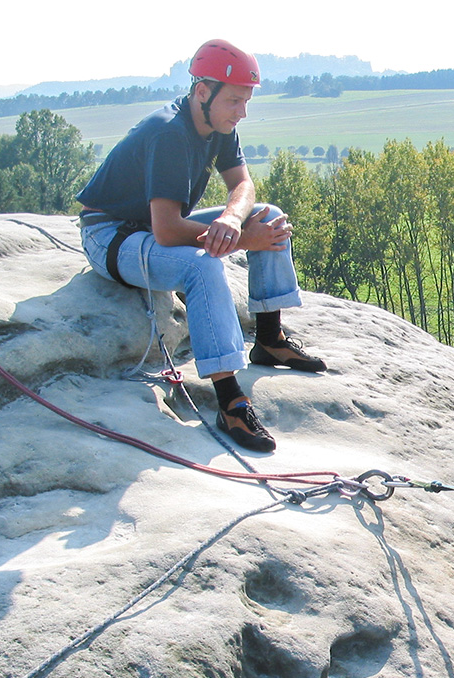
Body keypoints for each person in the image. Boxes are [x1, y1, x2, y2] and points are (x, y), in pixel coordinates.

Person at [76, 39, 325, 454]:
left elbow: (243, 185)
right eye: (234, 100)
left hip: (149, 229)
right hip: (111, 235)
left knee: (269, 215)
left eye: (245, 101)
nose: (241, 111)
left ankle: (269, 338)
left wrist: (232, 219)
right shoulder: (169, 133)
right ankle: (229, 402)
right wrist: (244, 240)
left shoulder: (218, 124)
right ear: (202, 91)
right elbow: (168, 232)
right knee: (201, 266)